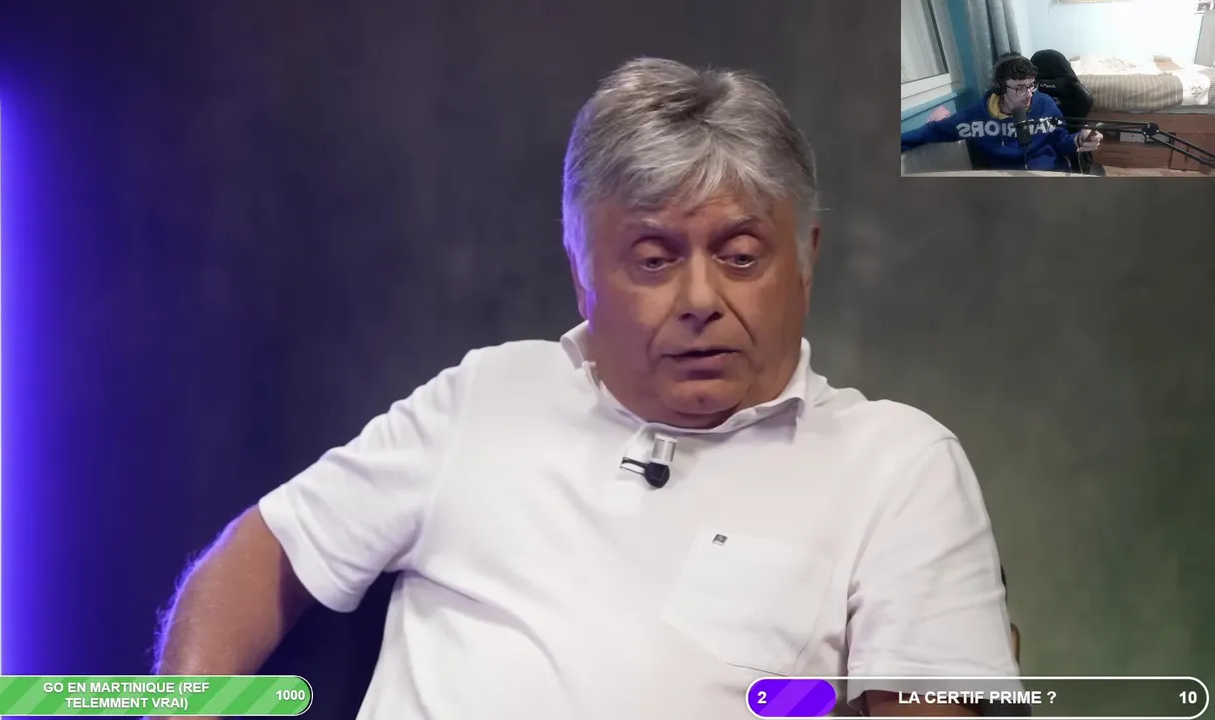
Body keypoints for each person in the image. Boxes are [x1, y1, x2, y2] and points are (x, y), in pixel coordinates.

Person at [153, 57, 1020, 718]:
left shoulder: (895, 466)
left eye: (739, 256)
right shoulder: (486, 396)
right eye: (653, 259)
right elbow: (263, 558)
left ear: (805, 260)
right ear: (581, 273)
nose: (700, 299)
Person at [902, 54, 1103, 171]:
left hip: (1048, 178)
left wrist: (1080, 138)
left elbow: (1061, 141)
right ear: (999, 88)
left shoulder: (1045, 104)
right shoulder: (975, 117)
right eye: (1020, 88)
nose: (1029, 94)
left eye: (1031, 85)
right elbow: (932, 132)